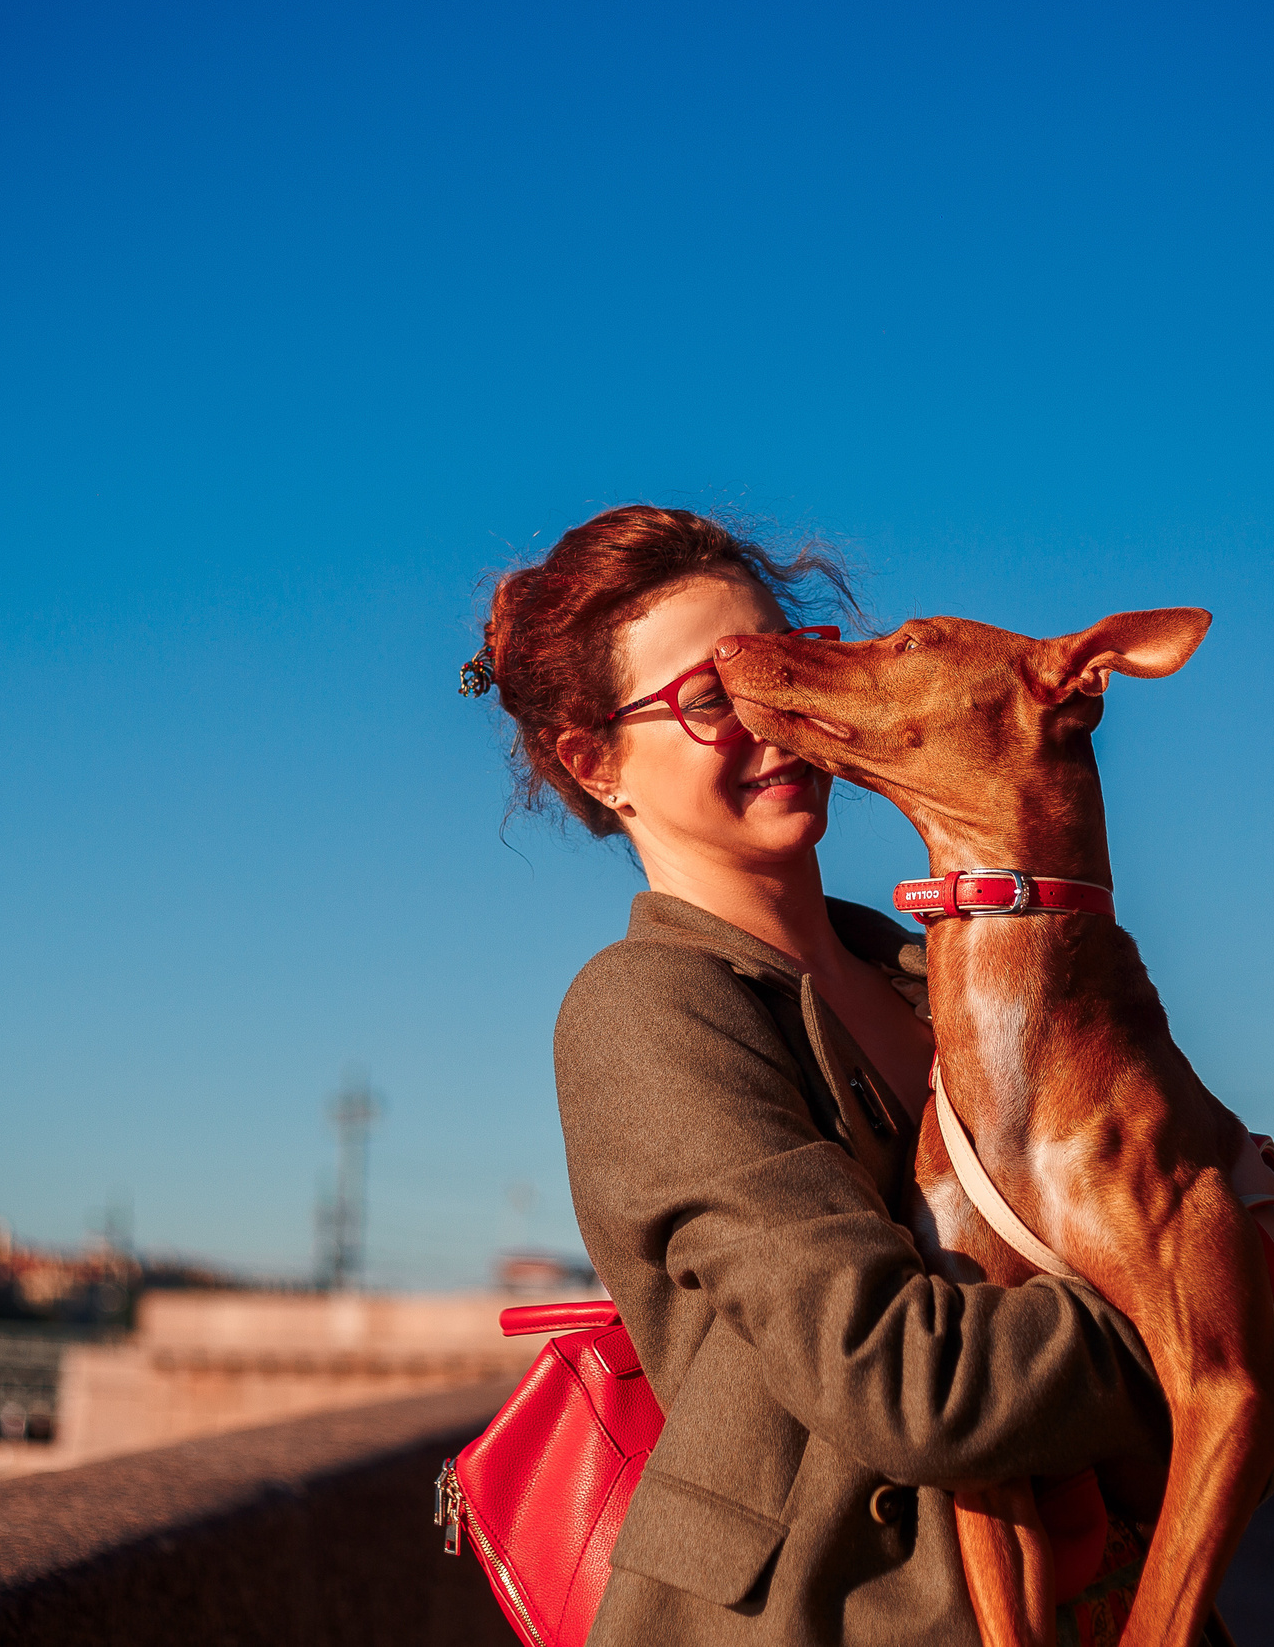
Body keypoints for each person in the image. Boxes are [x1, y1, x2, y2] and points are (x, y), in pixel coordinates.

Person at [467, 506, 1173, 1646]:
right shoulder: (649, 1011)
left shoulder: (937, 979)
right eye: (712, 703)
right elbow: (901, 1381)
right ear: (596, 764)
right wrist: (1177, 1319)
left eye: (779, 673)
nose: (777, 723)